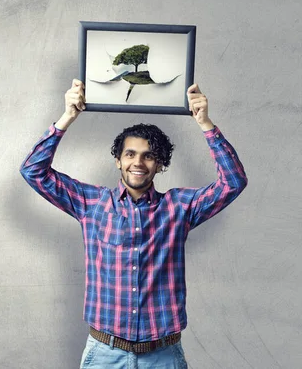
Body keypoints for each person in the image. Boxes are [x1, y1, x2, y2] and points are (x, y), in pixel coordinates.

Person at [19, 79, 248, 368]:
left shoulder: (179, 207)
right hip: (104, 353)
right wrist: (68, 116)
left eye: (148, 156)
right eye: (130, 154)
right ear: (118, 160)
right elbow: (33, 171)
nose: (138, 162)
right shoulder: (91, 203)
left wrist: (205, 123)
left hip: (163, 355)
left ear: (160, 164)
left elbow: (233, 182)